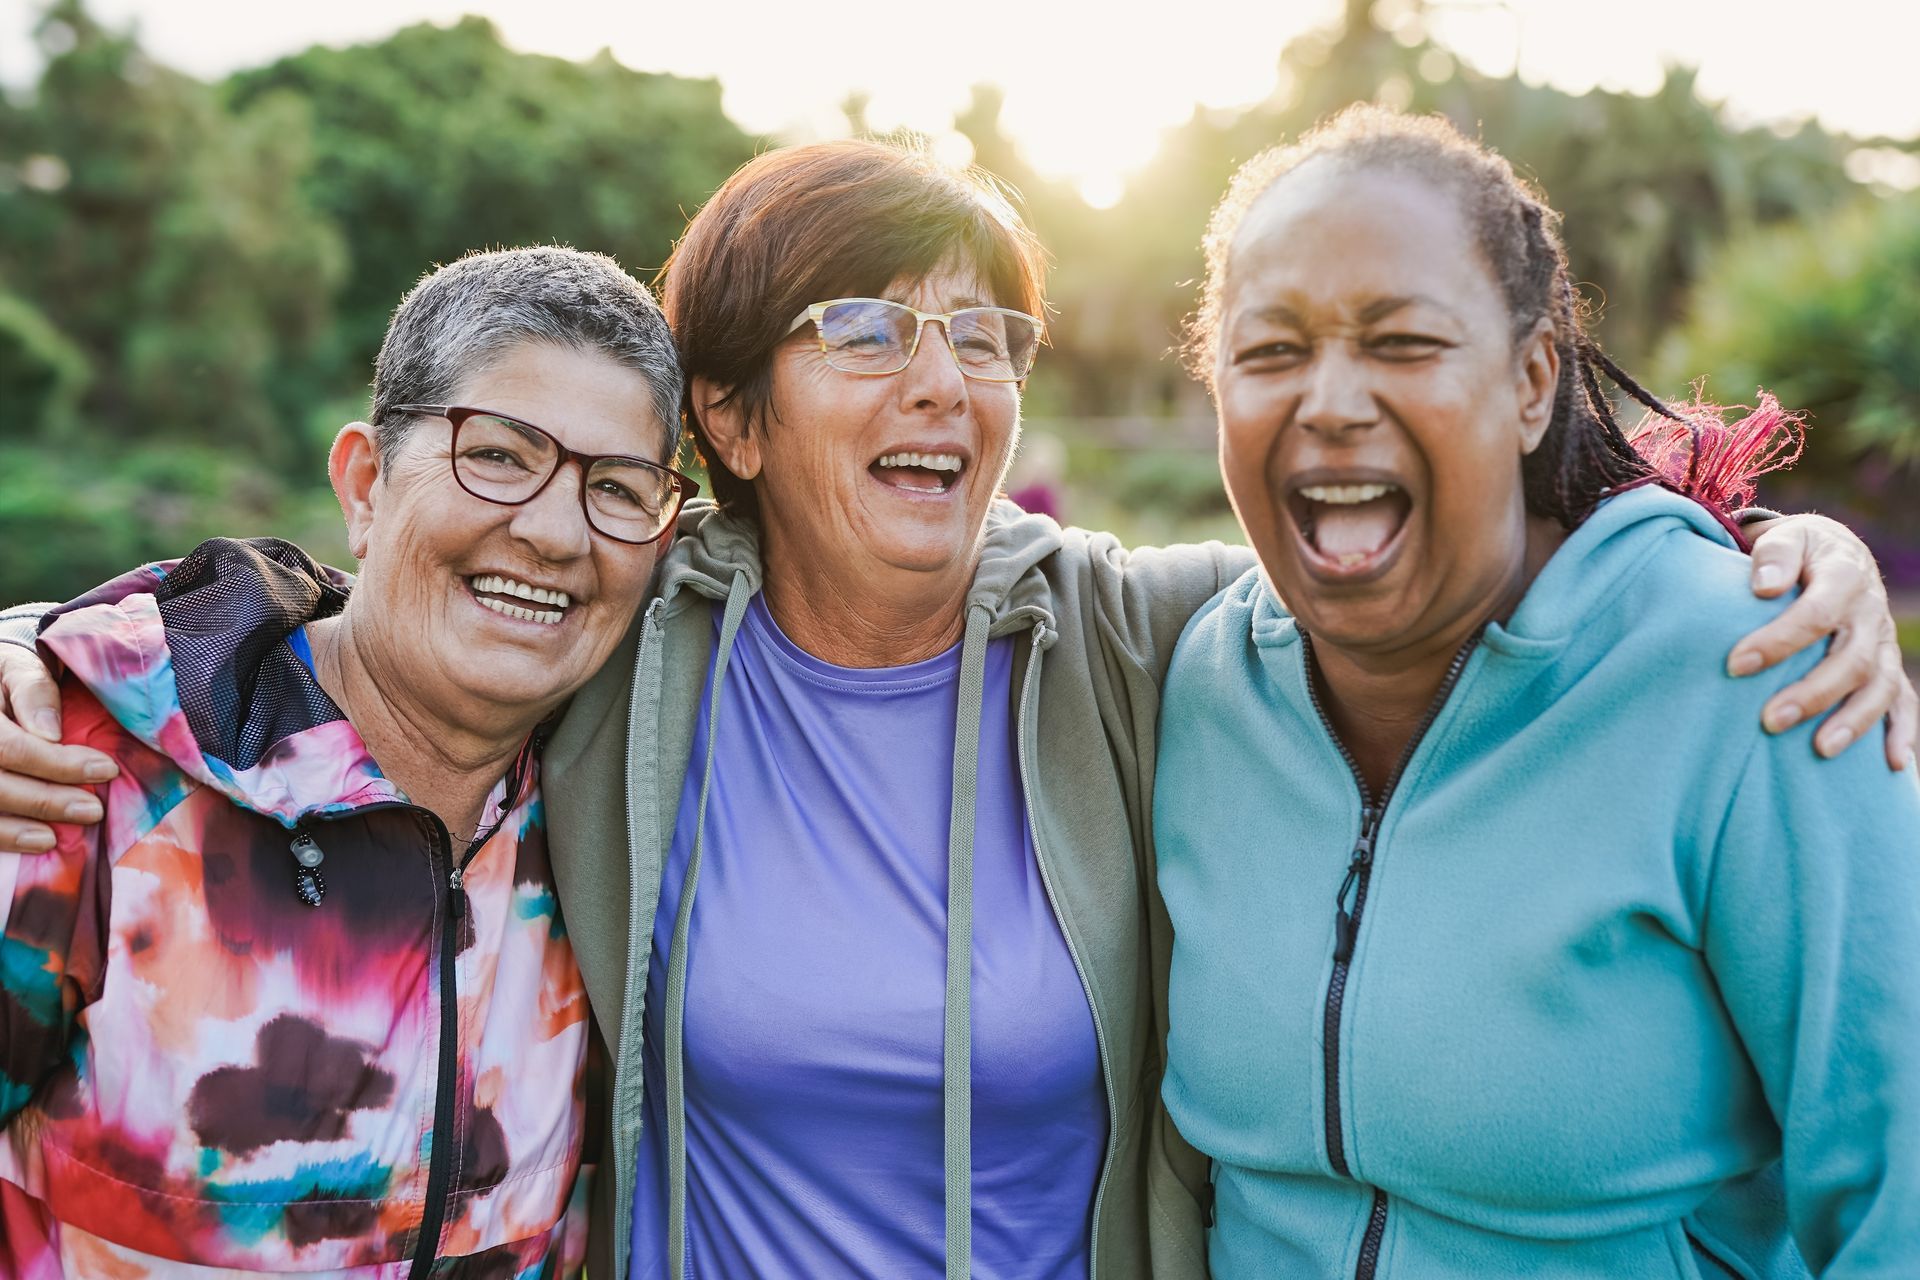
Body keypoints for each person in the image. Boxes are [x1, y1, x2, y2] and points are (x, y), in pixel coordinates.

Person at [0, 141, 1911, 1280]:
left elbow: (1411, 550)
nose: (942, 381)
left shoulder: (1146, 641)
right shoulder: (628, 642)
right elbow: (426, 594)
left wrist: (1729, 536)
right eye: (859, 330)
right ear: (729, 428)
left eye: (978, 334)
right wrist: (53, 654)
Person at [1154, 106, 1920, 1277]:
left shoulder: (1759, 675)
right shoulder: (1196, 676)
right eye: (1270, 352)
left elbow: (1896, 1202)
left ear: (1529, 382)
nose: (1331, 399)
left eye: (1402, 341)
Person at [0, 246, 697, 1275]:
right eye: (499, 455)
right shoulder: (85, 772)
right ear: (365, 483)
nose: (555, 532)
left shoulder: (619, 812)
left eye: (619, 487)